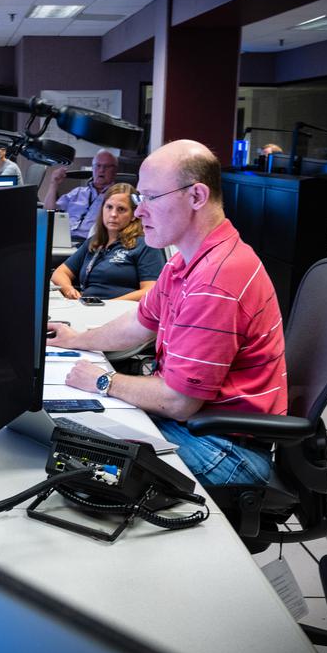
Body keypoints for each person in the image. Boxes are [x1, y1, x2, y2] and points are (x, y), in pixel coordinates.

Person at [47, 140, 286, 487]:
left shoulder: (216, 280)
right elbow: (138, 322)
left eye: (150, 198)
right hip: (199, 427)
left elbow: (177, 402)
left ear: (196, 197)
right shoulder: (186, 260)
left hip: (224, 449)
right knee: (73, 435)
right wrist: (76, 340)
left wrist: (103, 380)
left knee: (79, 460)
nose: (139, 212)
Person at [51, 183, 165, 301]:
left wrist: (109, 305)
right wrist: (69, 290)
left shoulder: (145, 244)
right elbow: (59, 273)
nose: (113, 214)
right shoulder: (95, 242)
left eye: (121, 209)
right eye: (109, 207)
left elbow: (150, 291)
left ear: (133, 215)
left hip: (122, 312)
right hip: (88, 308)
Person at [39, 148, 119, 245]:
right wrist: (53, 184)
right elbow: (48, 213)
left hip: (93, 244)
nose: (101, 170)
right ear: (92, 168)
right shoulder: (77, 193)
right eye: (98, 165)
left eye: (107, 167)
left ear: (115, 170)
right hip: (64, 241)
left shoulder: (117, 197)